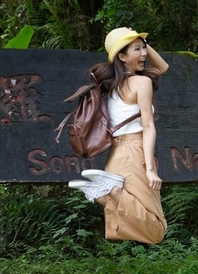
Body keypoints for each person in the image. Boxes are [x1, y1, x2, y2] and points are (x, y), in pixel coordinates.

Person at [68, 27, 170, 244]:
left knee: (127, 218)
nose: (143, 54)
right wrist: (150, 169)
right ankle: (111, 190)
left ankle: (104, 195)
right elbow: (149, 127)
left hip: (115, 157)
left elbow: (163, 67)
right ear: (122, 56)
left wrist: (139, 40)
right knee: (157, 229)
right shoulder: (142, 83)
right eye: (137, 50)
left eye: (144, 48)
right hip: (135, 153)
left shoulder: (111, 86)